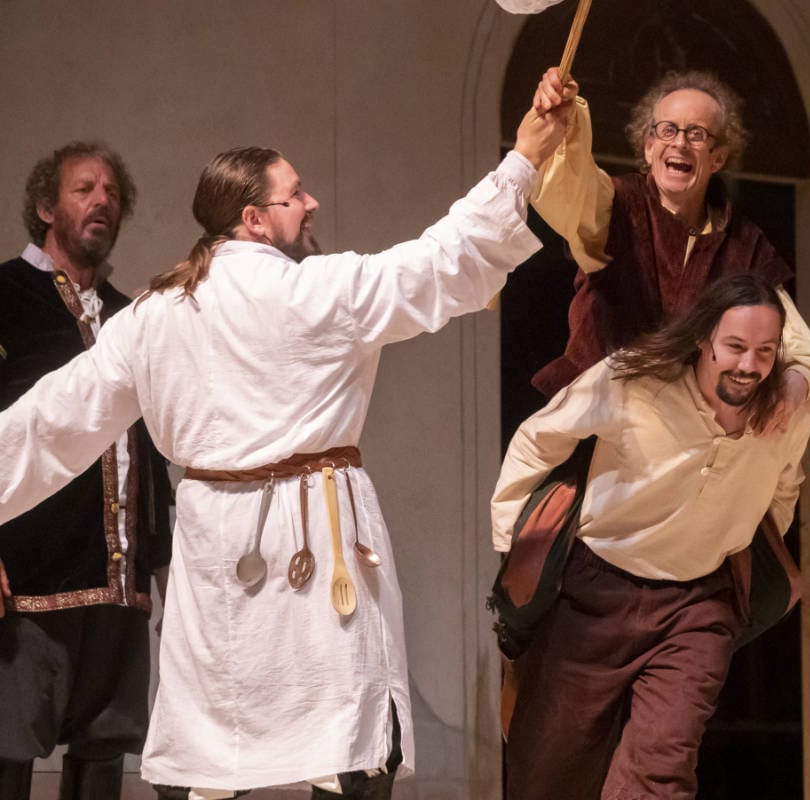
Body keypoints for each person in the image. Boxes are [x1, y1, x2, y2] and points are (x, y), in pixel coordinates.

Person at [0, 99, 572, 799]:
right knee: (345, 739)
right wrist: (523, 160)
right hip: (315, 542)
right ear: (253, 218)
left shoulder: (151, 314)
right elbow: (440, 262)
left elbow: (49, 424)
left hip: (221, 551)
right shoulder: (318, 291)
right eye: (294, 194)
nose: (310, 203)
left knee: (215, 747)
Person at [491, 274, 810, 800]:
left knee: (661, 773)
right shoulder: (634, 381)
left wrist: (739, 536)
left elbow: (785, 485)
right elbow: (538, 439)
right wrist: (515, 544)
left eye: (765, 351)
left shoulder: (786, 413)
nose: (748, 365)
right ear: (704, 339)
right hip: (593, 595)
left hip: (698, 605)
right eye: (735, 346)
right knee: (548, 773)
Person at [0, 142, 172, 800]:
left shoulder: (132, 317)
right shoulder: (5, 296)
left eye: (112, 193)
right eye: (83, 189)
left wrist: (164, 565)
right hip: (26, 585)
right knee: (7, 750)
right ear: (46, 207)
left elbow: (150, 451)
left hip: (120, 586)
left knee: (105, 752)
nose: (102, 200)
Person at [527, 67, 810, 416]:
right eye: (667, 130)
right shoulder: (615, 205)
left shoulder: (744, 244)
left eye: (696, 134)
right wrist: (564, 118)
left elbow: (796, 344)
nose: (679, 143)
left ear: (717, 157)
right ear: (649, 147)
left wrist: (797, 380)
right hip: (597, 418)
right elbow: (568, 187)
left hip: (690, 429)